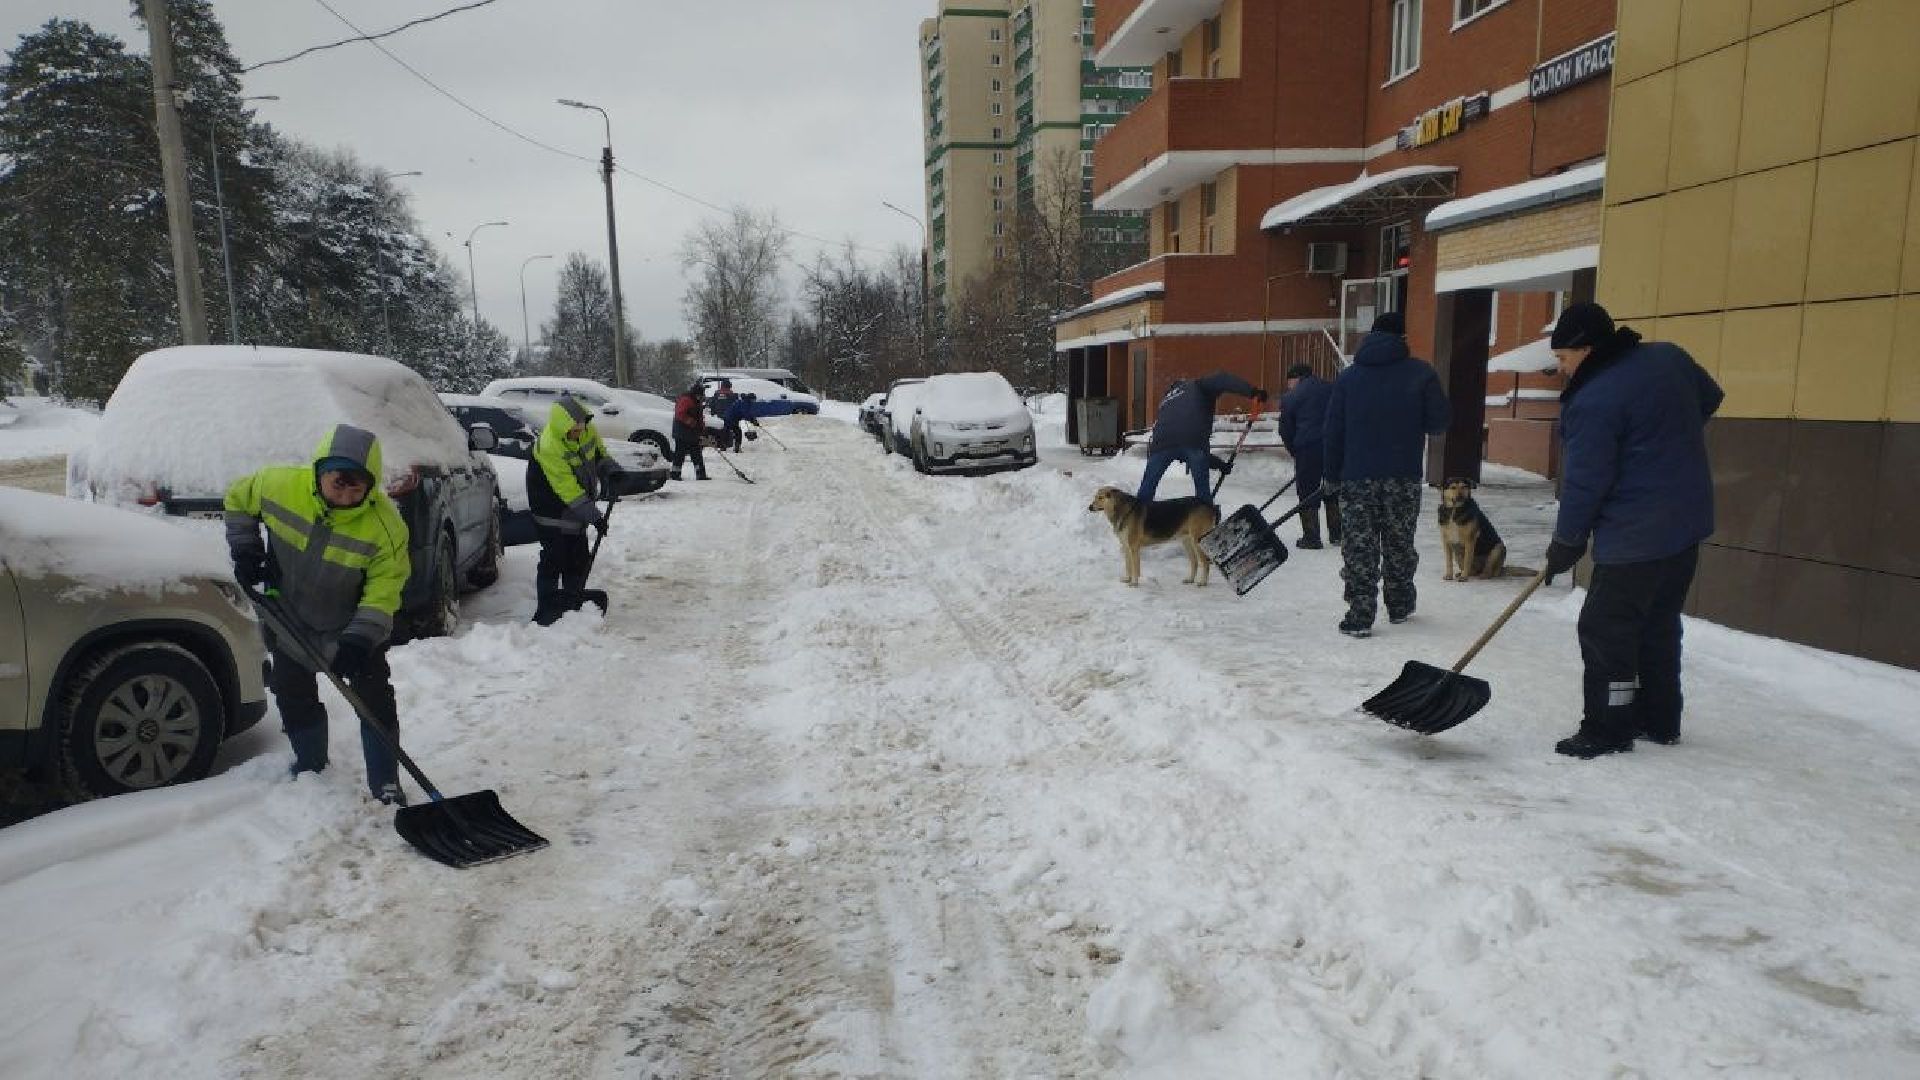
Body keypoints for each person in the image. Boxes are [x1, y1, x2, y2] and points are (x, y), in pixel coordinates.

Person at [1542, 302, 1723, 759]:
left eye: (1563, 358)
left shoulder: (1594, 400)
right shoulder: (1670, 358)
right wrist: (1660, 444)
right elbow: (1710, 396)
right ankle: (1660, 720)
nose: (1561, 369)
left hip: (1636, 533)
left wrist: (1566, 542)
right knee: (1657, 624)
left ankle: (1609, 727)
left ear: (1586, 347)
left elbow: (1586, 481)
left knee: (1607, 630)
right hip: (1685, 523)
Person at [224, 424, 411, 804]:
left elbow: (385, 588)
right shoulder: (279, 485)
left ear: (370, 486)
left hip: (351, 624)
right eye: (337, 484)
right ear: (319, 473)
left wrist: (359, 639)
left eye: (356, 488)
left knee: (374, 700)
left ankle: (386, 782)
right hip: (288, 615)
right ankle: (310, 764)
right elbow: (238, 498)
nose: (345, 496)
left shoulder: (386, 529)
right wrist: (246, 548)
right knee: (292, 693)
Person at [1323, 311, 1449, 638]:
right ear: (1402, 339)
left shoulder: (1349, 379)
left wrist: (1331, 474)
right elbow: (1438, 423)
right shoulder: (1422, 374)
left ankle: (1361, 614)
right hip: (1402, 476)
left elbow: (1333, 432)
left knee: (1360, 545)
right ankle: (1400, 603)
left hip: (1357, 476)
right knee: (1399, 540)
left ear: (1371, 336)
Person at [527, 395, 611, 626]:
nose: (578, 433)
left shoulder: (586, 430)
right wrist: (595, 516)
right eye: (573, 431)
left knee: (578, 556)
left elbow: (600, 454)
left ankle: (573, 601)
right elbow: (567, 488)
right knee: (554, 557)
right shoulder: (549, 445)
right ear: (563, 428)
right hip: (550, 508)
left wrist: (610, 470)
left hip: (575, 508)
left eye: (580, 429)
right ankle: (547, 606)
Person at [1135, 371, 1267, 504]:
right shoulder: (1198, 385)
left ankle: (1136, 517)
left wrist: (1220, 465)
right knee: (1202, 491)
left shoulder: (1167, 399)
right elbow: (1223, 378)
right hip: (1193, 439)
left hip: (1161, 442)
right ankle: (1206, 516)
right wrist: (1253, 392)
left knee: (1148, 486)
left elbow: (1179, 445)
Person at [1279, 362, 1340, 550]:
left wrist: (1294, 451)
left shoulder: (1291, 397)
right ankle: (1338, 533)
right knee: (1334, 487)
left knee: (1307, 490)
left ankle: (1312, 537)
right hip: (1333, 446)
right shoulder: (1332, 388)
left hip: (1308, 447)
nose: (1288, 385)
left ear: (1295, 378)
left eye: (1289, 381)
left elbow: (1285, 429)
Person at [671, 381, 709, 481]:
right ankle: (675, 474)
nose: (701, 397)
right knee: (680, 453)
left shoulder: (697, 402)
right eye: (700, 395)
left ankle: (701, 474)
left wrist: (702, 429)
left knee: (696, 453)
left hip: (692, 432)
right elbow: (680, 414)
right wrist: (691, 422)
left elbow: (699, 417)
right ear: (695, 394)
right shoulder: (686, 399)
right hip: (681, 431)